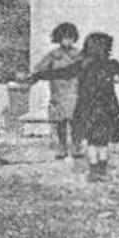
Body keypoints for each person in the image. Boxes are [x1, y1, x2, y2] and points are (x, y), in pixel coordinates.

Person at [29, 32, 119, 182]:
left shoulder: (82, 65)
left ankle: (93, 170)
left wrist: (38, 76)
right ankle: (102, 170)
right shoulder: (112, 64)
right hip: (107, 108)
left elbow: (61, 73)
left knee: (91, 141)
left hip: (86, 108)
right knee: (103, 141)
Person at [33, 22, 81, 159]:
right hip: (58, 92)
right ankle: (62, 147)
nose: (68, 41)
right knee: (61, 121)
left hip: (75, 91)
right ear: (59, 38)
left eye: (71, 37)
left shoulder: (78, 54)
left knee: (76, 121)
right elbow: (39, 68)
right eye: (65, 37)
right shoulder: (53, 55)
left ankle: (76, 147)